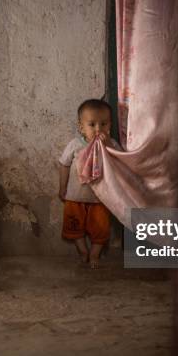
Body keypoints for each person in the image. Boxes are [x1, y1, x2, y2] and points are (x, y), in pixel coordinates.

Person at [58, 99, 121, 268]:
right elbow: (64, 165)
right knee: (74, 226)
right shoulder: (75, 145)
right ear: (81, 127)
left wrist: (107, 144)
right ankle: (83, 251)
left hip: (100, 199)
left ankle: (94, 254)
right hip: (75, 196)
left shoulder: (111, 144)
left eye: (104, 124)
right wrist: (62, 187)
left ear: (110, 125)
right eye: (92, 124)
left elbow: (120, 161)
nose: (98, 129)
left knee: (100, 229)